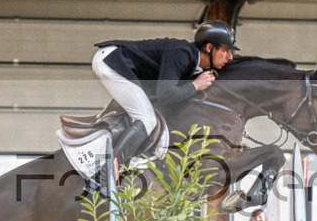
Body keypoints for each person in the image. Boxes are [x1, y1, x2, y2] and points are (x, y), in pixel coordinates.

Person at [91, 20, 239, 185]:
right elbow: (166, 95)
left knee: (148, 115)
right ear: (210, 48)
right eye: (225, 50)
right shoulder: (181, 53)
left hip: (122, 65)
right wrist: (195, 85)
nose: (230, 57)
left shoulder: (193, 64)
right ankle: (105, 176)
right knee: (147, 119)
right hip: (112, 62)